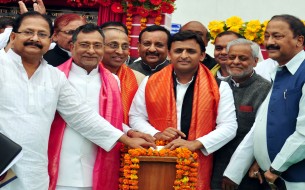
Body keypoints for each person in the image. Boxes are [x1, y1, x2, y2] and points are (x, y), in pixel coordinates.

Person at [0, 11, 153, 190]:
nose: (35, 38)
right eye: (28, 32)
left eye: (42, 34)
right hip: (3, 166)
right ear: (12, 36)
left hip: (35, 171)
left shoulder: (54, 76)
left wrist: (126, 138)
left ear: (51, 41)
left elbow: (80, 115)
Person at [48, 23, 154, 190]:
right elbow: (81, 118)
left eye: (97, 45)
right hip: (62, 168)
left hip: (99, 164)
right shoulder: (55, 77)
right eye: (84, 45)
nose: (91, 50)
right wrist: (125, 138)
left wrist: (130, 131)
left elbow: (110, 120)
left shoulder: (113, 80)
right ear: (72, 46)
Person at [129, 31, 237, 190]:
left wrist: (195, 144)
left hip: (197, 159)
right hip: (158, 157)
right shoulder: (150, 82)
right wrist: (155, 133)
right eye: (178, 51)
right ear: (169, 54)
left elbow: (229, 127)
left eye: (191, 51)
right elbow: (136, 116)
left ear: (202, 55)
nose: (184, 56)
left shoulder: (220, 87)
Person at [223, 14, 305, 190]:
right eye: (267, 36)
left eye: (277, 36)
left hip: (295, 179)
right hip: (275, 178)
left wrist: (276, 167)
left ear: (299, 41)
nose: (269, 42)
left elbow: (304, 133)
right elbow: (261, 125)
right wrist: (234, 172)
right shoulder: (279, 72)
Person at [211, 38, 271, 190]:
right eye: (232, 57)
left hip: (250, 167)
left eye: (243, 58)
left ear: (255, 61)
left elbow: (264, 131)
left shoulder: (266, 89)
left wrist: (255, 163)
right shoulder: (218, 86)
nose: (235, 62)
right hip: (217, 162)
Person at [101, 28, 145, 125]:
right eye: (113, 45)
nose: (120, 51)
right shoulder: (90, 75)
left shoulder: (139, 78)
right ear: (99, 46)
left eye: (125, 47)